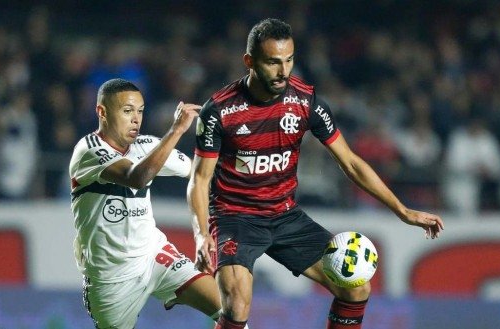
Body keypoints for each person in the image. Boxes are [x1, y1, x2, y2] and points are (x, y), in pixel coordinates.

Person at [187, 18, 445, 329]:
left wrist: (402, 210)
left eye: (289, 60)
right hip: (234, 218)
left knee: (355, 288)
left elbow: (350, 162)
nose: (284, 71)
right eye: (272, 62)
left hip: (285, 216)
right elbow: (199, 180)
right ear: (249, 62)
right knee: (237, 303)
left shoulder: (305, 102)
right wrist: (202, 235)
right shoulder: (219, 111)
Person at [69, 78, 223, 329]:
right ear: (102, 112)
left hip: (154, 255)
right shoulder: (88, 150)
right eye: (127, 111)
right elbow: (136, 178)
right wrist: (176, 130)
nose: (136, 119)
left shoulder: (148, 146)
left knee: (230, 311)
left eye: (140, 111)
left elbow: (202, 173)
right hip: (111, 279)